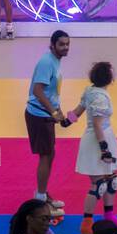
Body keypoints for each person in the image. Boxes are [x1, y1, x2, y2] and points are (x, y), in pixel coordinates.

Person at [63, 62, 117, 234]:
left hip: (100, 138)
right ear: (110, 78)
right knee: (99, 184)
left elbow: (78, 110)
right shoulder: (100, 97)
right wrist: (104, 149)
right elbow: (98, 125)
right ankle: (87, 222)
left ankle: (109, 215)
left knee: (111, 180)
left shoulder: (90, 91)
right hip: (99, 140)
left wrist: (66, 121)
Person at [25, 30, 71, 223]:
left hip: (47, 115)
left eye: (68, 44)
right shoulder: (47, 62)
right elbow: (37, 90)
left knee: (50, 154)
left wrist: (58, 113)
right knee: (46, 155)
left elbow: (52, 91)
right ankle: (41, 200)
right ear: (52, 45)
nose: (66, 47)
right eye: (62, 44)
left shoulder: (55, 60)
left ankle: (42, 193)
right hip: (39, 116)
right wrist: (53, 112)